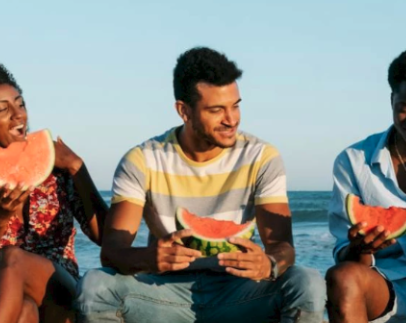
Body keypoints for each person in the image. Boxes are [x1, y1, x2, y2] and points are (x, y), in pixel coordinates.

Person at [75, 46, 326, 323]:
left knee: (307, 281)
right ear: (184, 111)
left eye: (236, 105)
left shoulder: (260, 156)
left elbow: (282, 245)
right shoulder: (142, 160)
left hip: (239, 292)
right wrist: (150, 259)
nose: (232, 120)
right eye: (217, 110)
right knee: (96, 285)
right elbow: (112, 252)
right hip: (162, 294)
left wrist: (269, 263)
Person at [326, 47, 406, 323]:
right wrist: (359, 249)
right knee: (342, 277)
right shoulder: (353, 161)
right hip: (387, 285)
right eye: (404, 108)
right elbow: (342, 254)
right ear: (392, 100)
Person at [0, 64, 109, 323]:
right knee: (25, 312)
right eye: (3, 109)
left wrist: (76, 167)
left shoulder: (57, 171)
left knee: (13, 256)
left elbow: (106, 236)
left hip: (60, 291)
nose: (19, 116)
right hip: (10, 300)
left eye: (21, 104)